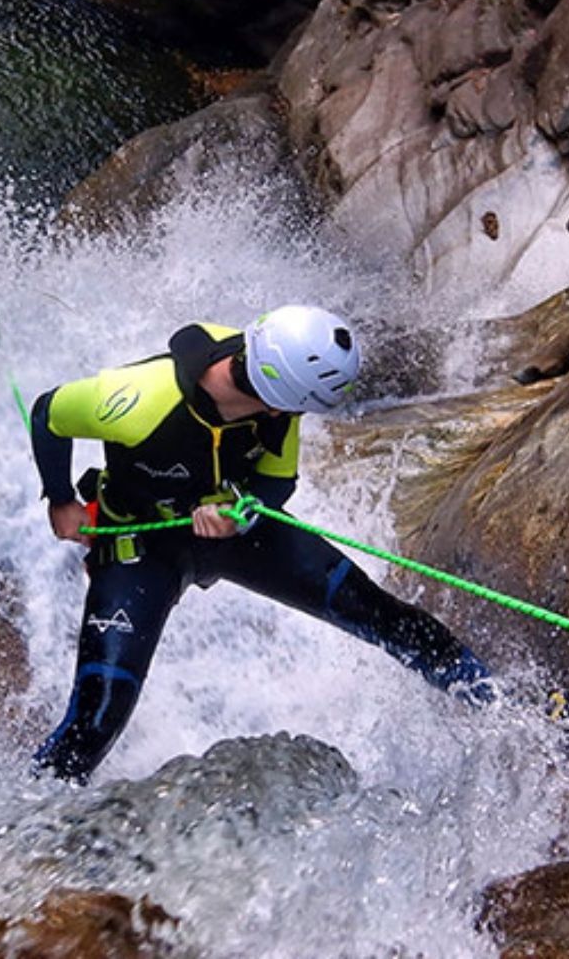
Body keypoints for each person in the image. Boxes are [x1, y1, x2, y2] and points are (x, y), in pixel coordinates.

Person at [29, 304, 493, 782]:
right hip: (142, 545)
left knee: (378, 612)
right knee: (98, 718)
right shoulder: (137, 401)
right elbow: (48, 413)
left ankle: (498, 702)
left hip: (238, 534)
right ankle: (33, 816)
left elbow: (276, 482)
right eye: (295, 409)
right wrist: (61, 500)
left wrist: (239, 513)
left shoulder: (274, 376)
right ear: (278, 400)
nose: (294, 417)